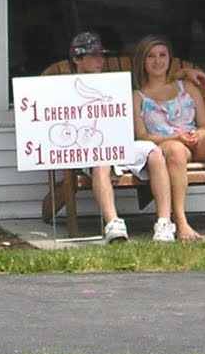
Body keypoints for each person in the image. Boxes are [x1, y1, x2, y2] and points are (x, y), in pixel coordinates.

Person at [131, 33, 205, 238]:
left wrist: (197, 134)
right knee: (176, 150)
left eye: (162, 55)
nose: (158, 61)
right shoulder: (138, 96)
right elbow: (142, 136)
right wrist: (176, 138)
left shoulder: (186, 87)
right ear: (142, 61)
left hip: (196, 142)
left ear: (170, 59)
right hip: (166, 144)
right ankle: (181, 222)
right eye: (151, 56)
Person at [66, 30, 177, 244]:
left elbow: (162, 76)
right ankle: (113, 223)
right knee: (101, 160)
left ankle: (164, 222)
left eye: (102, 55)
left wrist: (185, 73)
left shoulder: (113, 83)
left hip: (121, 142)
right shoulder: (66, 88)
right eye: (93, 55)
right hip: (87, 148)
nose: (100, 60)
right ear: (77, 59)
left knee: (154, 153)